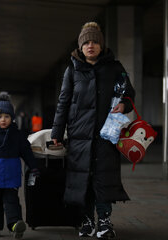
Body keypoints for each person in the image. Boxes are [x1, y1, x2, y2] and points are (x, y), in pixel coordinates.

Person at [51, 22, 135, 239]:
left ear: (101, 45)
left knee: (103, 178)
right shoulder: (72, 70)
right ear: (80, 46)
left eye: (95, 42)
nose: (91, 46)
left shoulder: (115, 68)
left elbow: (129, 94)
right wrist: (56, 134)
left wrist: (124, 105)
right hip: (79, 137)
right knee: (83, 180)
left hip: (105, 135)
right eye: (86, 42)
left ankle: (105, 222)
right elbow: (63, 102)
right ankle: (87, 221)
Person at [0, 93, 39, 239]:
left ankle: (15, 225)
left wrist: (34, 167)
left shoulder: (17, 135)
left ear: (12, 118)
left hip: (11, 176)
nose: (3, 120)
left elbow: (27, 152)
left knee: (12, 202)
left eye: (6, 116)